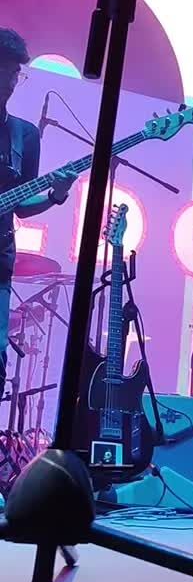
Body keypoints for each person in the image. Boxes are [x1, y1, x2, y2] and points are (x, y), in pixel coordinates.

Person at [0, 29, 77, 399]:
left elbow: (22, 205)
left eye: (16, 73)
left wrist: (56, 195)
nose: (11, 81)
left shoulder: (24, 135)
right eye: (5, 70)